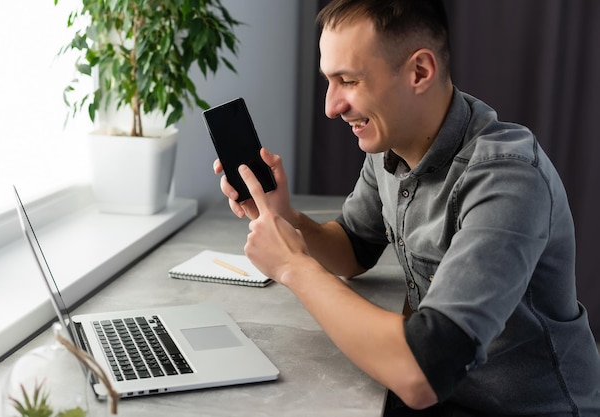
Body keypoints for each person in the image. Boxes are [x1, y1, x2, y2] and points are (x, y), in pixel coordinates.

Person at [213, 0, 600, 414]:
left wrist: (293, 266)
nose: (331, 107)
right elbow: (354, 249)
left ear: (419, 71)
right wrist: (285, 218)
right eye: (329, 81)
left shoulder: (507, 178)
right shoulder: (390, 142)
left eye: (349, 80)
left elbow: (422, 373)